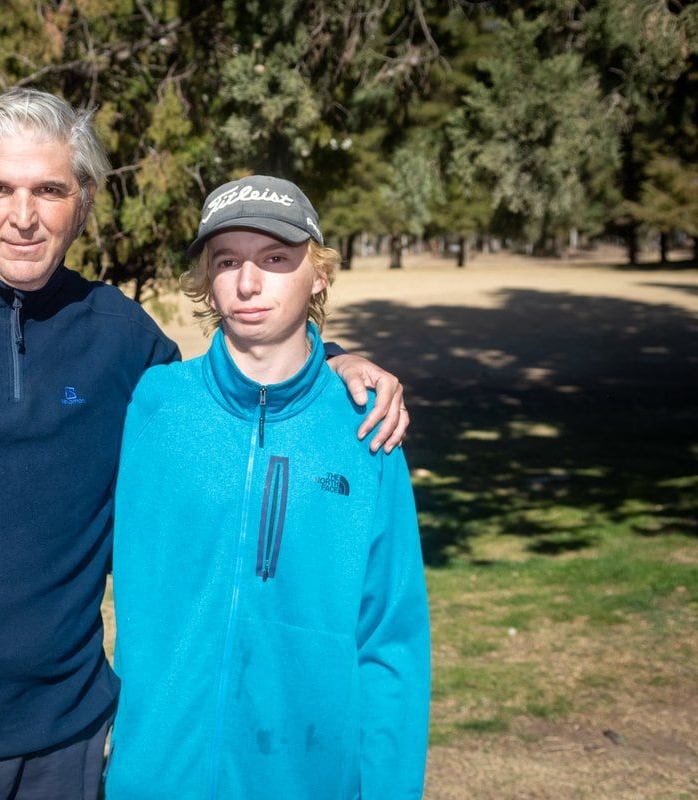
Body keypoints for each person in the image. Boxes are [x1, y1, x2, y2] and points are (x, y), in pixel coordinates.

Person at [0, 90, 409, 799]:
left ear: (82, 201)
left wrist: (331, 364)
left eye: (49, 190)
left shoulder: (123, 340)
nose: (23, 216)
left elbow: (225, 395)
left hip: (63, 753)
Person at [106, 176, 430, 799]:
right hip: (156, 774)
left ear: (320, 275)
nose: (248, 283)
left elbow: (391, 642)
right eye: (228, 261)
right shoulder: (156, 406)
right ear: (207, 277)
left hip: (305, 774)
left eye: (276, 260)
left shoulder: (365, 425)